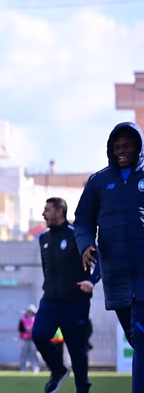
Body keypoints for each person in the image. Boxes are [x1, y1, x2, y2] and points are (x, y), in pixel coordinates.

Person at [74, 122, 144, 393]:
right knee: (136, 339)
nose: (121, 151)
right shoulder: (98, 182)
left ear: (138, 147)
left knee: (141, 338)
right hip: (116, 276)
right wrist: (85, 245)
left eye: (126, 146)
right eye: (116, 147)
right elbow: (82, 221)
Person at [33, 197, 99, 393]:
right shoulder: (43, 238)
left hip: (75, 304)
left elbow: (100, 262)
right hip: (50, 302)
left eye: (47, 210)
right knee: (39, 335)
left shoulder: (77, 236)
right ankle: (58, 370)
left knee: (77, 354)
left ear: (59, 212)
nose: (43, 214)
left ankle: (82, 388)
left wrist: (92, 281)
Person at [18, 304, 39, 373]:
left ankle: (35, 367)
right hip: (24, 338)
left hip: (33, 339)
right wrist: (26, 329)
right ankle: (23, 368)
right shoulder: (22, 319)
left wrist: (33, 330)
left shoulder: (36, 318)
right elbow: (20, 328)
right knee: (24, 354)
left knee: (34, 353)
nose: (30, 313)